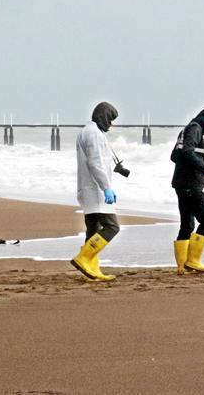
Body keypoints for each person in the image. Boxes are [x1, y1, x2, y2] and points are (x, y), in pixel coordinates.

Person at [70, 102, 121, 281]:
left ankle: (92, 269)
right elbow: (96, 163)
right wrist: (106, 187)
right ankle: (83, 258)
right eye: (111, 119)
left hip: (88, 189)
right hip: (95, 189)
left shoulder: (88, 131)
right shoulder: (93, 134)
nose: (111, 124)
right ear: (103, 117)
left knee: (93, 229)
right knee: (112, 227)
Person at [170, 105, 204, 275]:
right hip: (190, 185)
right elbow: (187, 153)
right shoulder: (195, 129)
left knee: (187, 225)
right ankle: (193, 261)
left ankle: (181, 266)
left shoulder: (188, 129)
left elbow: (175, 156)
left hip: (181, 183)